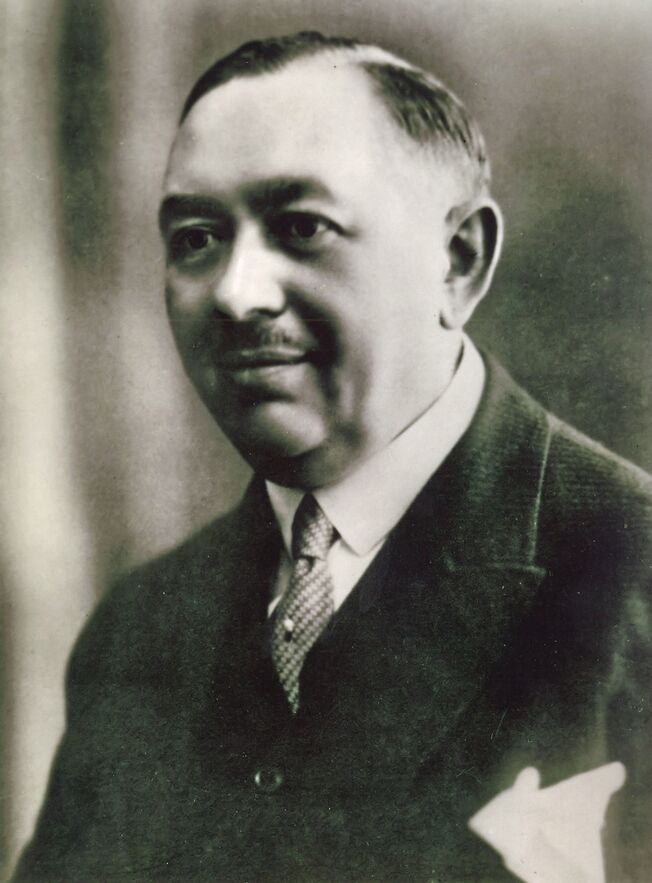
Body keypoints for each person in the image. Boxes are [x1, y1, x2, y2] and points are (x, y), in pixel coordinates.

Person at [13, 31, 651, 883]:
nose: (237, 293)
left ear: (458, 262)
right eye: (197, 238)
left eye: (302, 226)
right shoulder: (138, 632)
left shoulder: (631, 579)